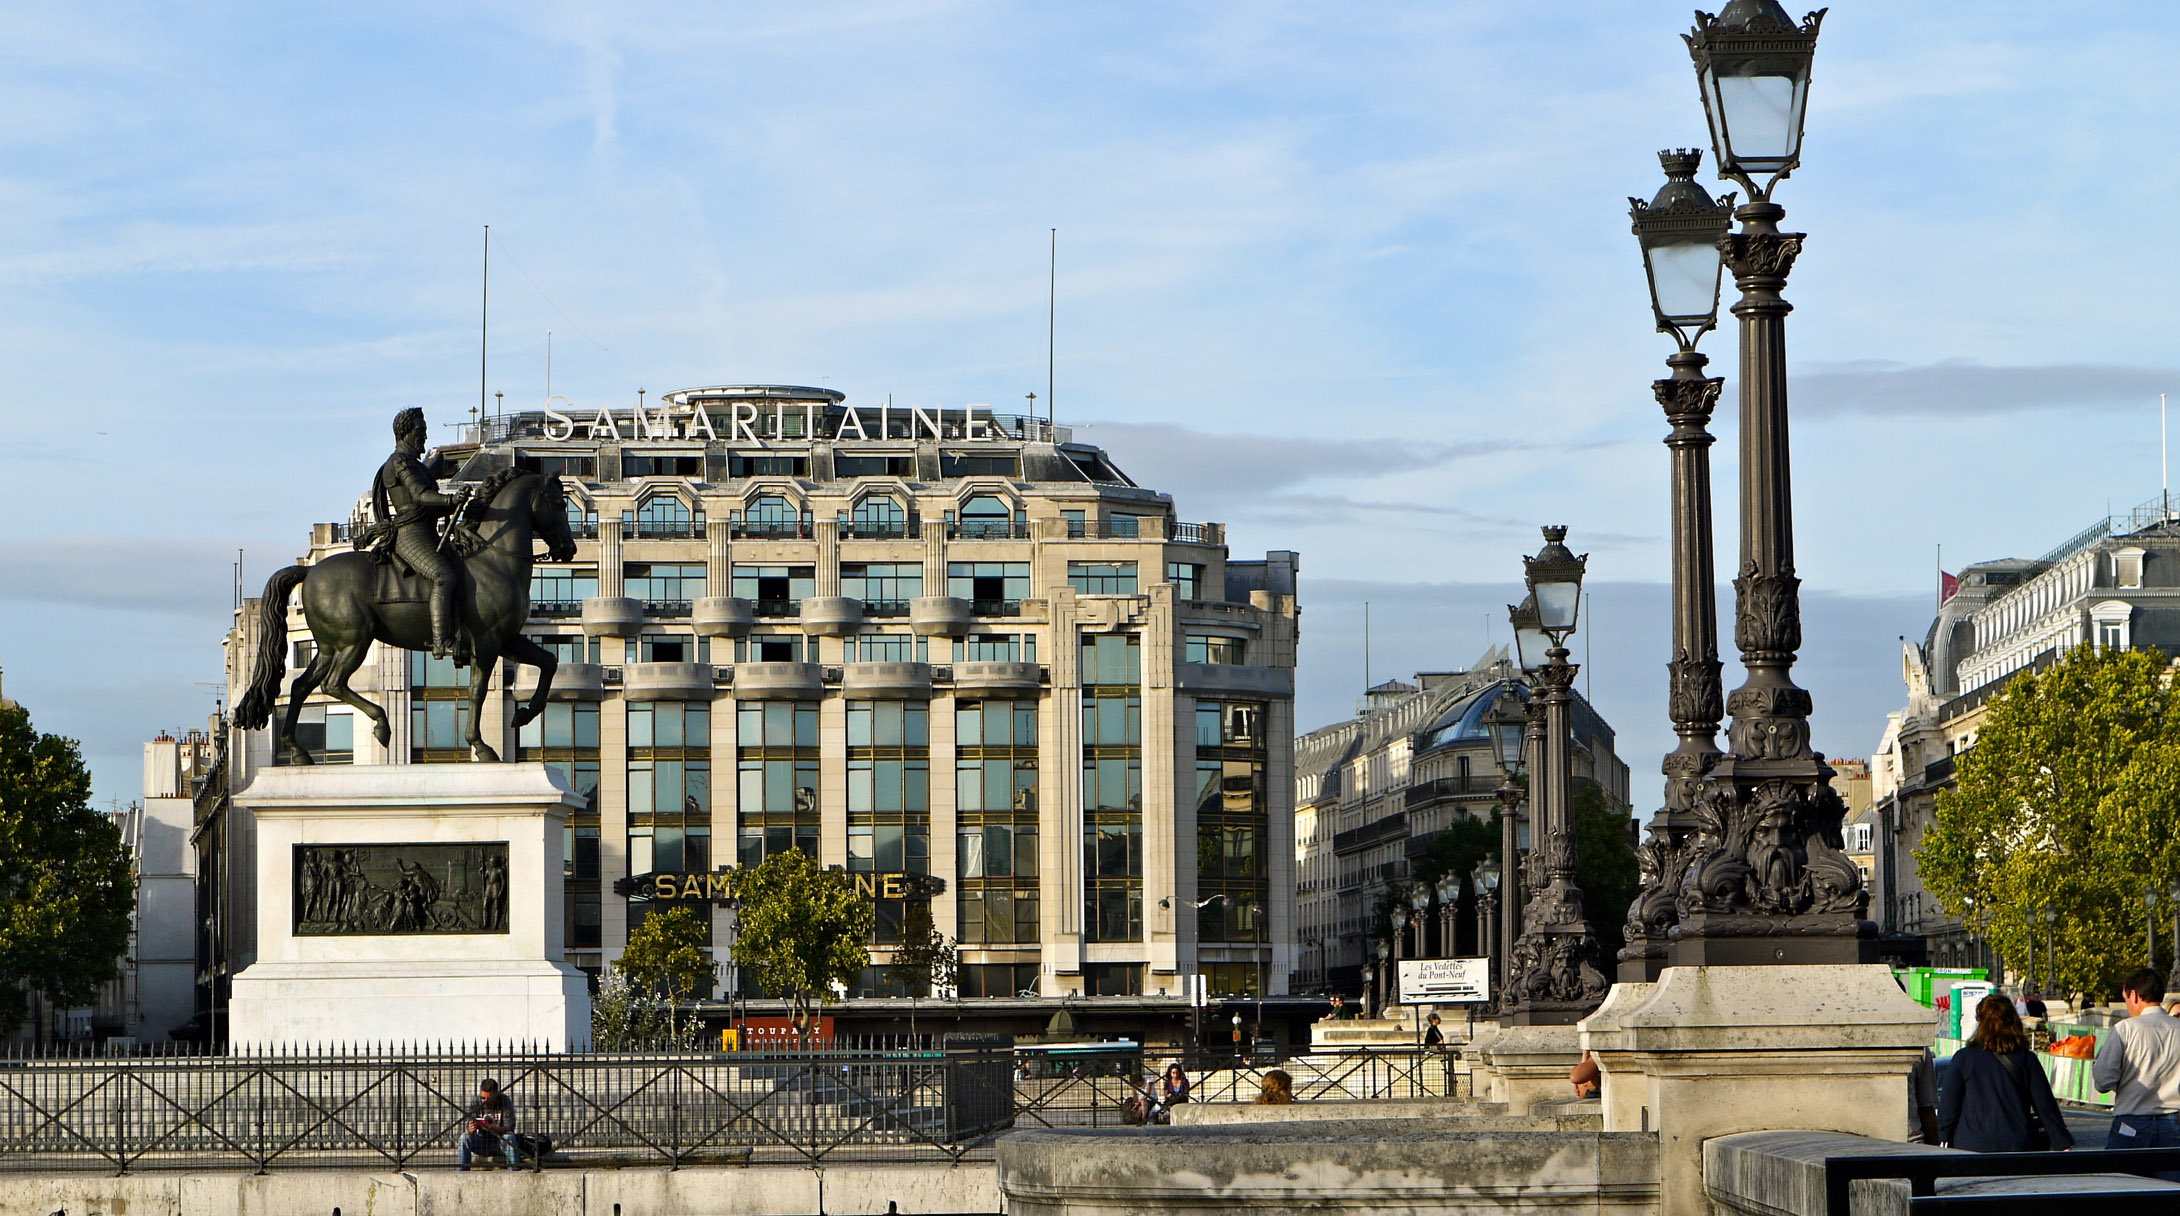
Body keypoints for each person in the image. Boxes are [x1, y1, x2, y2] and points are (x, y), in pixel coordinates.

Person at [365, 407, 471, 662]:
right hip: (410, 535)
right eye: (419, 431)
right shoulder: (400, 462)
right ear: (405, 433)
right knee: (443, 576)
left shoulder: (414, 463)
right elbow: (419, 496)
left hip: (427, 532)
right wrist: (450, 500)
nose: (424, 436)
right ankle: (440, 641)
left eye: (424, 431)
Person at [1939, 995, 2073, 1153]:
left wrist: (1943, 1137)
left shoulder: (1964, 1058)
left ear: (1980, 1022)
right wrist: (2061, 1141)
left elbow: (1949, 1107)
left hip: (1971, 1145)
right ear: (2013, 1021)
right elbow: (2045, 1107)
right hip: (2017, 1144)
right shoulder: (2026, 1059)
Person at [2093, 967, 2180, 1167]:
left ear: (2134, 995)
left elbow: (2103, 1081)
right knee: (2170, 1192)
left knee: (2123, 1188)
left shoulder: (2124, 1030)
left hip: (2131, 1122)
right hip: (2174, 1122)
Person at [457, 1078, 519, 1170]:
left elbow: (510, 1126)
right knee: (464, 1138)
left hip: (500, 1141)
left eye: (489, 1099)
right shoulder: (476, 1102)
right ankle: (462, 1172)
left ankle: (514, 1170)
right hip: (482, 1142)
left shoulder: (504, 1100)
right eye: (483, 1098)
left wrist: (495, 1129)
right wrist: (470, 1129)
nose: (485, 1101)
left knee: (510, 1137)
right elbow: (469, 1125)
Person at [1908, 1047, 1941, 1144]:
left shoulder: (1922, 1050)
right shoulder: (1921, 1049)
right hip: (1912, 1141)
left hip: (1913, 1142)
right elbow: (1927, 1109)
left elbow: (1927, 1109)